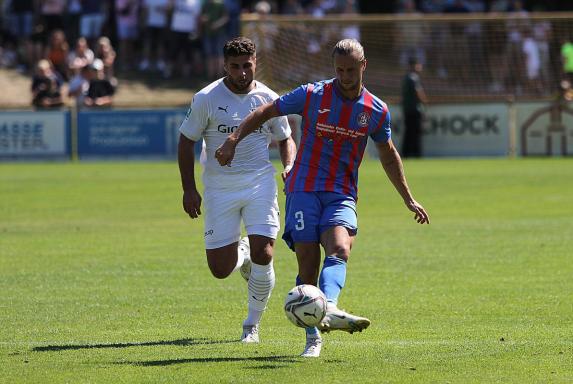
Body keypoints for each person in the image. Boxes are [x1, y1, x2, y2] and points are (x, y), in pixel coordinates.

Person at [215, 39, 430, 358]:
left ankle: (328, 308)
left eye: (351, 70)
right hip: (303, 189)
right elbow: (265, 111)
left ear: (364, 66)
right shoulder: (312, 94)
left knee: (340, 247)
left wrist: (408, 198)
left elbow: (388, 155)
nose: (345, 76)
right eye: (340, 70)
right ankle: (312, 338)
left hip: (341, 193)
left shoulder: (375, 110)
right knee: (308, 261)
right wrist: (233, 139)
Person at [178, 37, 296, 344]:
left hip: (259, 182)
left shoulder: (268, 98)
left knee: (265, 251)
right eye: (235, 67)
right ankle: (241, 254)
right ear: (224, 65)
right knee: (220, 269)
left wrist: (289, 165)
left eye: (247, 65)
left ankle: (251, 325)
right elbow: (186, 141)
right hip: (220, 188)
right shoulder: (206, 98)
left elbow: (285, 137)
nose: (242, 73)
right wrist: (189, 189)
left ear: (256, 62)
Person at [401, 56, 427, 158]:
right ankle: (416, 153)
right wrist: (424, 101)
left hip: (407, 109)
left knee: (408, 132)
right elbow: (418, 92)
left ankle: (406, 153)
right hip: (415, 110)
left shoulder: (406, 77)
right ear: (414, 66)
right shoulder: (413, 77)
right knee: (416, 132)